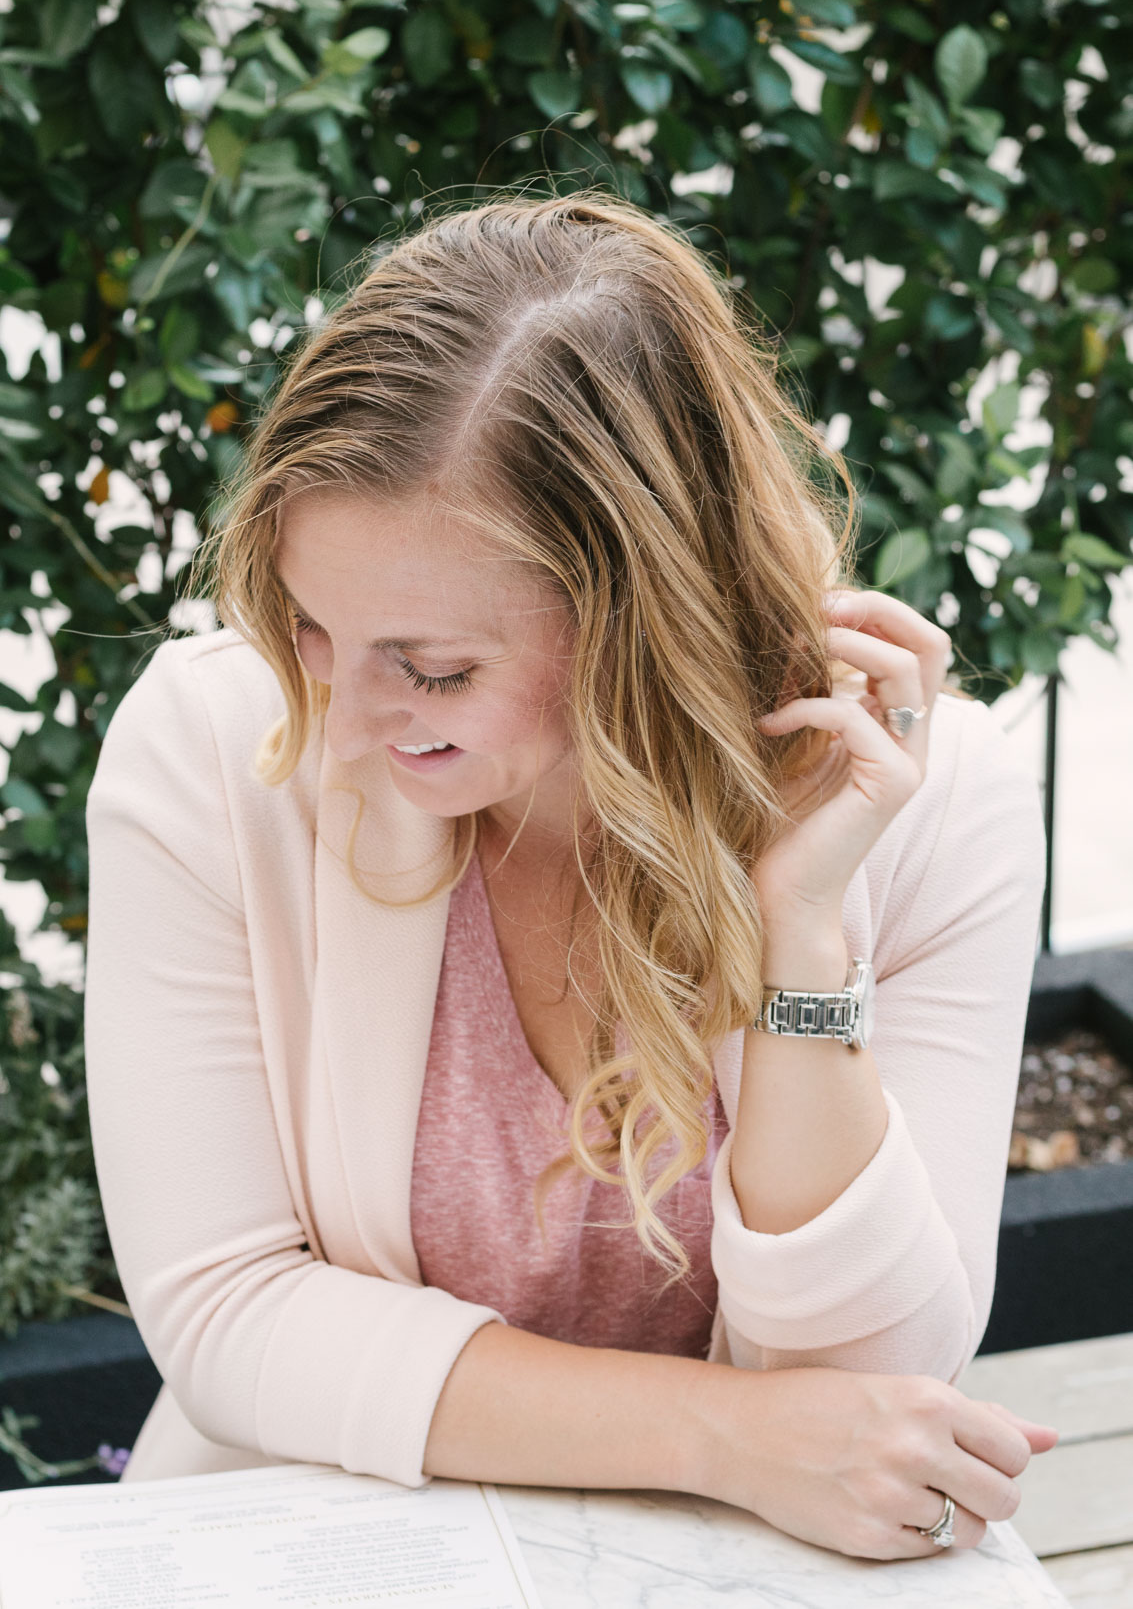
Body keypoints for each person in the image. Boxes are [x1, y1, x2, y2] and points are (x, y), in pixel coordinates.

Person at [83, 189, 1058, 1563]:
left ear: (643, 613)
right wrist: (714, 1434)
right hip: (320, 1545)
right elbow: (233, 1313)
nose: (345, 723)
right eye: (309, 626)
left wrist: (799, 931)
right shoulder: (212, 744)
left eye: (432, 669)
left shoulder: (919, 798)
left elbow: (870, 1370)